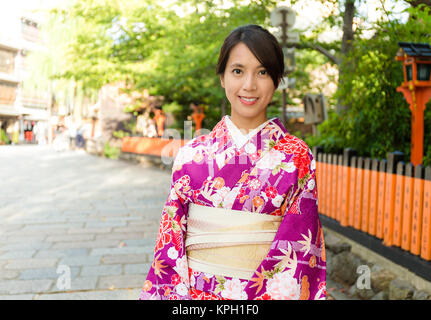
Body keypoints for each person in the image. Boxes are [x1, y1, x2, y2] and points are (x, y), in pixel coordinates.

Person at [139, 24, 326, 300]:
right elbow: (171, 242)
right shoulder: (190, 156)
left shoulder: (296, 156)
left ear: (276, 79)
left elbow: (300, 245)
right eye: (237, 71)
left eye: (262, 72)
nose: (249, 85)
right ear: (222, 78)